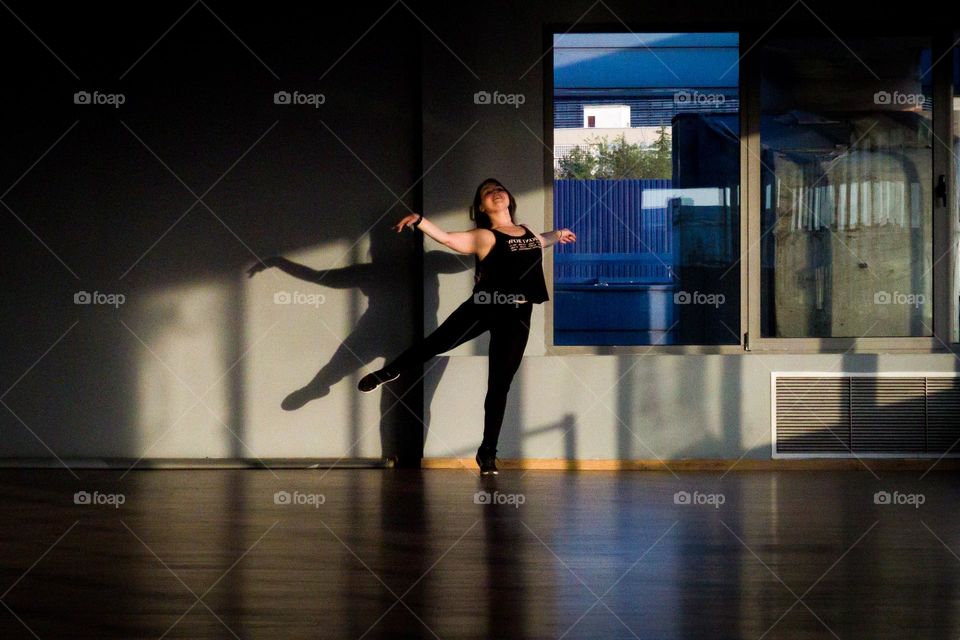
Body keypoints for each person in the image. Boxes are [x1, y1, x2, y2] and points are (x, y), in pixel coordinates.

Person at [358, 178, 576, 475]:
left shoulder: (527, 233)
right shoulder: (484, 236)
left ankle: (487, 452)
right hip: (485, 306)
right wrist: (421, 221)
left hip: (517, 314)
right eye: (488, 193)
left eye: (499, 189)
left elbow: (540, 240)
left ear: (509, 197)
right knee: (435, 343)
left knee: (500, 385)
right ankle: (389, 370)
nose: (496, 193)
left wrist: (559, 233)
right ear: (481, 207)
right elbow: (449, 239)